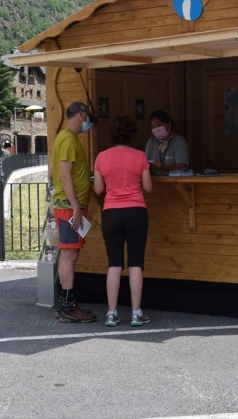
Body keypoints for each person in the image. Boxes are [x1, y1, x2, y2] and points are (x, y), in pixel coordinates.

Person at [94, 115, 153, 327]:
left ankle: (111, 313)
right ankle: (136, 313)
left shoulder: (101, 157)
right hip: (136, 211)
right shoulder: (140, 156)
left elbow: (99, 189)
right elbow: (148, 187)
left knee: (114, 263)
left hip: (111, 212)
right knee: (136, 263)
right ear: (131, 135)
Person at [51, 101, 97, 323]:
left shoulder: (63, 138)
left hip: (68, 205)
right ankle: (67, 306)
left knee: (71, 253)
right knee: (69, 254)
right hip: (69, 207)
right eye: (88, 117)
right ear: (81, 114)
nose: (89, 123)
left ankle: (67, 303)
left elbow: (54, 172)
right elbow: (64, 175)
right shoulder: (69, 139)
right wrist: (76, 206)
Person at [144, 109, 190, 174]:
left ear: (169, 125)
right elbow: (145, 164)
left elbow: (181, 166)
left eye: (159, 125)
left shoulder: (180, 141)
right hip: (154, 181)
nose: (156, 129)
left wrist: (165, 167)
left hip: (174, 182)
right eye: (153, 127)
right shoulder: (151, 142)